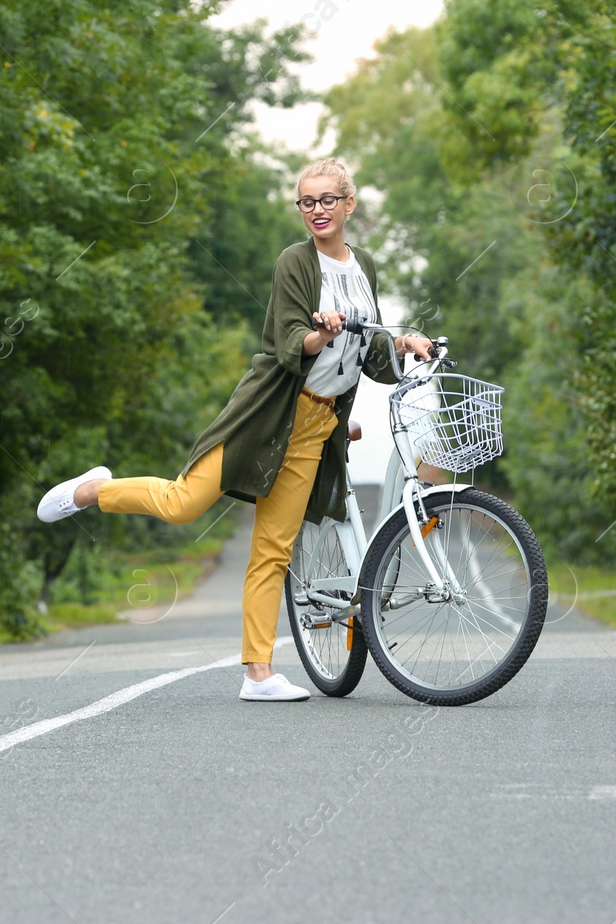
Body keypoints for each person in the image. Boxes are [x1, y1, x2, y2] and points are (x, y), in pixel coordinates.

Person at [37, 158, 433, 701]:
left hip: (318, 425)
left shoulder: (361, 265)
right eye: (306, 201)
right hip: (269, 413)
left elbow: (372, 350)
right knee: (183, 503)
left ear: (349, 204)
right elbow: (287, 339)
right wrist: (320, 333)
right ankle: (93, 491)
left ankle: (258, 674)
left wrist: (406, 344)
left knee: (273, 548)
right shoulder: (295, 262)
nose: (316, 210)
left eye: (326, 200)